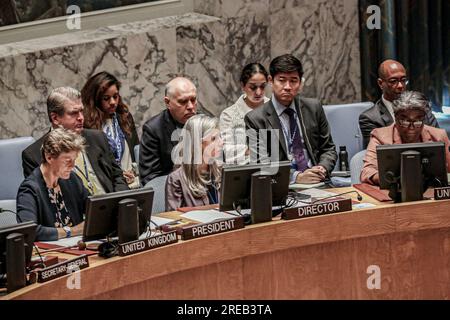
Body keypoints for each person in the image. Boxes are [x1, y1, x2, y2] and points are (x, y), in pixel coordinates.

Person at [244, 54, 337, 184]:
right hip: (283, 187)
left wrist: (322, 168)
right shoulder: (255, 119)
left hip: (318, 180)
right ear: (270, 81)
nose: (288, 86)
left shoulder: (313, 108)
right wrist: (296, 177)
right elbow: (261, 164)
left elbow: (328, 149)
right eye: (282, 80)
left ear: (300, 83)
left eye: (293, 81)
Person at [22, 86, 129, 195]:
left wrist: (119, 203)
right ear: (55, 118)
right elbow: (43, 198)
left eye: (81, 111)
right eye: (74, 113)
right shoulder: (34, 155)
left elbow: (118, 177)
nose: (81, 117)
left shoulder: (98, 138)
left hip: (110, 205)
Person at [360, 91, 450, 185]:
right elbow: (367, 171)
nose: (411, 127)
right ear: (395, 118)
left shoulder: (439, 136)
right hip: (395, 192)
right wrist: (391, 179)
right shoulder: (380, 136)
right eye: (405, 121)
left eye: (417, 121)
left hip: (431, 193)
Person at [17, 128, 88, 241]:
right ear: (49, 157)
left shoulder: (72, 180)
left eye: (74, 160)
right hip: (49, 253)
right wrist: (72, 231)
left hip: (77, 246)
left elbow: (94, 210)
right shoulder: (29, 189)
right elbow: (29, 231)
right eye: (68, 161)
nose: (73, 165)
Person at [359, 59, 438, 148]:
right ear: (380, 83)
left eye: (403, 80)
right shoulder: (370, 118)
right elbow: (378, 152)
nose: (400, 86)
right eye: (393, 81)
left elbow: (438, 141)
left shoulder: (422, 108)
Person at [81, 71, 140, 189]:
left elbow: (135, 151)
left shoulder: (125, 116)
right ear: (95, 100)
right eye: (106, 98)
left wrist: (134, 173)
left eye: (115, 96)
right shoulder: (87, 126)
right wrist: (119, 175)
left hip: (134, 184)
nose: (113, 102)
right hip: (109, 187)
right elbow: (93, 166)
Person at [139, 77, 197, 185]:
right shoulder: (153, 129)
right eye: (183, 101)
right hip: (171, 191)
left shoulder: (204, 122)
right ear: (167, 102)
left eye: (193, 100)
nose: (190, 106)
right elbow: (150, 178)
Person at [165, 114, 223, 211]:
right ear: (197, 144)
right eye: (214, 139)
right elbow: (174, 220)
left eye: (220, 137)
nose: (221, 142)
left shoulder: (222, 170)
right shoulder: (176, 180)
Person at [220, 63, 270, 164]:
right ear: (243, 86)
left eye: (263, 86)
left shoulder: (275, 109)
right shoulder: (228, 115)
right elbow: (229, 153)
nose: (258, 92)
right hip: (242, 173)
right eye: (253, 87)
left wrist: (247, 151)